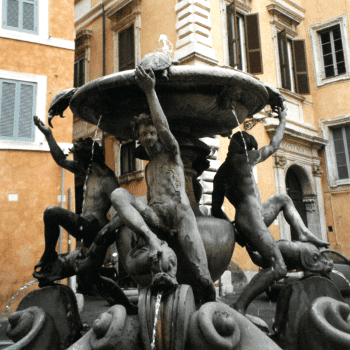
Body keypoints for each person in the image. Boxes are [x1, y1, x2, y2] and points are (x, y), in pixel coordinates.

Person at [86, 66, 216, 302]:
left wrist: (150, 91)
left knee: (203, 275)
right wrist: (108, 228)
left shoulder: (172, 153)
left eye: (151, 132)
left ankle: (209, 308)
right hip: (155, 215)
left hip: (179, 213)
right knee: (118, 195)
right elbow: (136, 204)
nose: (148, 137)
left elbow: (165, 127)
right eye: (143, 134)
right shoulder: (148, 167)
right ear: (138, 138)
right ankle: (152, 240)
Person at [211, 106, 329, 314]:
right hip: (254, 219)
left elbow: (215, 209)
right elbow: (274, 145)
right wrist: (283, 119)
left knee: (283, 198)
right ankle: (240, 306)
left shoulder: (220, 173)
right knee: (278, 266)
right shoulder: (246, 159)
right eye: (251, 147)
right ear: (247, 147)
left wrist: (234, 229)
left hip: (248, 218)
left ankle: (301, 231)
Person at [33, 116, 119, 279]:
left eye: (79, 158)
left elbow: (122, 210)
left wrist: (106, 233)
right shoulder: (87, 171)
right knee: (92, 278)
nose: (77, 162)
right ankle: (128, 306)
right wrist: (49, 135)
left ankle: (50, 254)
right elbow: (61, 160)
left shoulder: (107, 179)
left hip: (95, 229)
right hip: (85, 227)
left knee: (51, 212)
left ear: (88, 158)